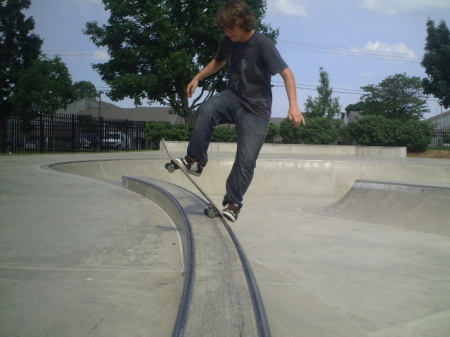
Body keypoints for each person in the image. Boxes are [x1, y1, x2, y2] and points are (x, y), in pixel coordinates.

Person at [175, 0, 305, 222]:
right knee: (206, 109)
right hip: (233, 97)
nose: (228, 33)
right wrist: (197, 77)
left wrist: (293, 105)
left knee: (246, 159)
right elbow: (218, 62)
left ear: (244, 22)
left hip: (256, 109)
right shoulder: (227, 40)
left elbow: (287, 74)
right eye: (225, 29)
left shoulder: (262, 43)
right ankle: (195, 159)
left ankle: (233, 203)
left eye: (231, 28)